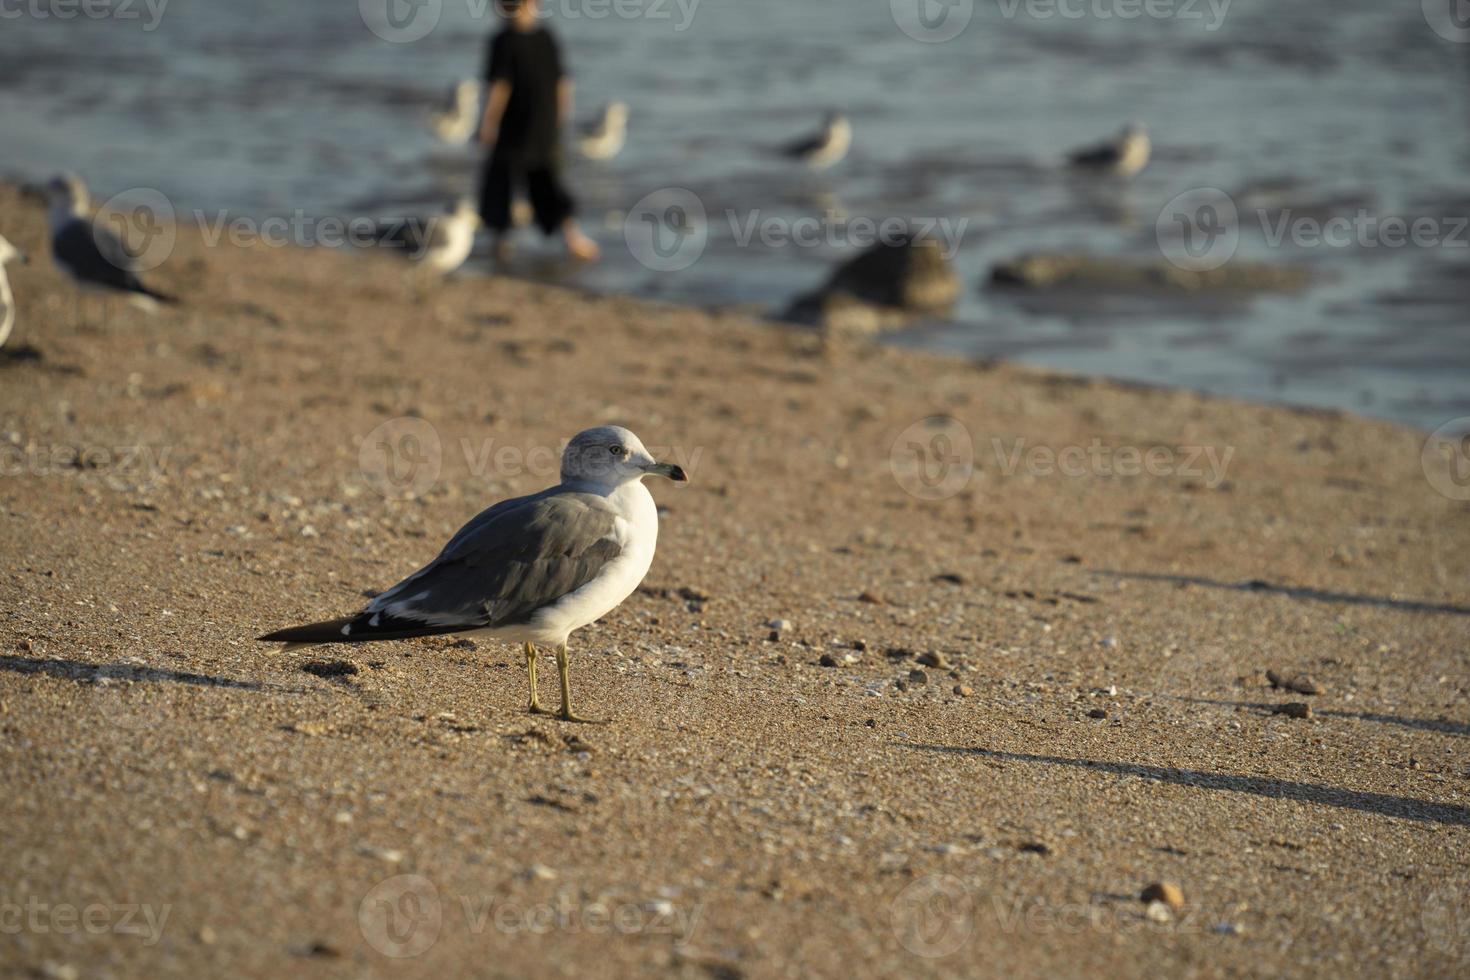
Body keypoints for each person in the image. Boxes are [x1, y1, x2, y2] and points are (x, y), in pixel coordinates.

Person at [477, 0, 600, 262]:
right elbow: (500, 87)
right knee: (502, 182)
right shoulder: (504, 40)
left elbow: (561, 81)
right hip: (513, 125)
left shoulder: (543, 36)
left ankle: (569, 237)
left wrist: (561, 118)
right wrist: (490, 123)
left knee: (547, 181)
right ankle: (501, 242)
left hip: (541, 124)